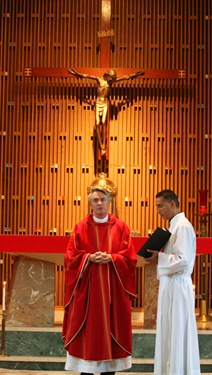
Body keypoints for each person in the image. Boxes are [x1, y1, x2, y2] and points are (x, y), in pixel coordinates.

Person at [62, 187, 137, 375]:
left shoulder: (121, 227)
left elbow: (129, 257)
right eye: (95, 200)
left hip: (113, 288)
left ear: (109, 202)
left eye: (103, 199)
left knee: (112, 325)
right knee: (89, 328)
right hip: (88, 290)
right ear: (90, 203)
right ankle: (85, 369)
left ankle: (109, 370)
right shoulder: (80, 227)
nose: (99, 203)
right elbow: (71, 257)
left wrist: (113, 258)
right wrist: (88, 258)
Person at [147, 189, 200, 375]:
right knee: (170, 330)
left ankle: (178, 370)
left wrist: (159, 258)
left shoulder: (182, 226)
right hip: (171, 284)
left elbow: (183, 260)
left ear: (172, 204)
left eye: (161, 206)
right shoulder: (173, 226)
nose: (158, 210)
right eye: (157, 207)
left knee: (177, 331)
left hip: (178, 285)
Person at [68, 68, 144, 156]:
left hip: (105, 103)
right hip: (98, 103)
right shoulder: (99, 79)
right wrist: (77, 73)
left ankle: (103, 145)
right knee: (97, 124)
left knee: (103, 122)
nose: (112, 79)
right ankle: (101, 145)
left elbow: (125, 78)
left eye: (112, 78)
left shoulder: (110, 83)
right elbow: (87, 76)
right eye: (111, 77)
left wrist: (135, 74)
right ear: (107, 76)